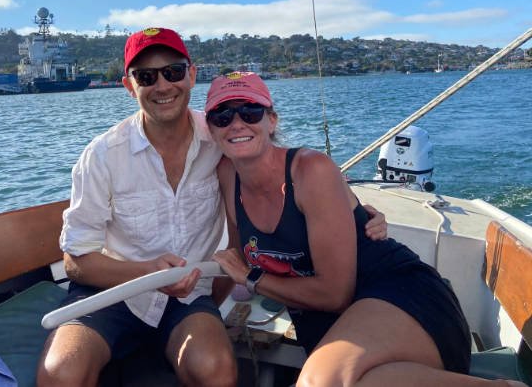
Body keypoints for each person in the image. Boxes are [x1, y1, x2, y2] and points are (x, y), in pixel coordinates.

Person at [36, 28, 388, 387]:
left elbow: (283, 168)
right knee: (60, 372)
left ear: (191, 75)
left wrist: (359, 210)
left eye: (173, 71)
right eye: (146, 76)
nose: (162, 85)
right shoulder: (102, 156)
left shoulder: (222, 135)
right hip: (114, 295)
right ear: (129, 86)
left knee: (216, 369)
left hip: (188, 298)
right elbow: (75, 261)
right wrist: (145, 273)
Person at [208, 71, 527, 387]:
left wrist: (253, 279)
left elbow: (334, 293)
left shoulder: (310, 170)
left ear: (272, 121)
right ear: (210, 128)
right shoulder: (227, 174)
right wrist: (204, 311)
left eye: (250, 111)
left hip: (406, 299)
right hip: (333, 325)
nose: (236, 123)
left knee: (320, 382)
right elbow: (238, 257)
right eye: (222, 115)